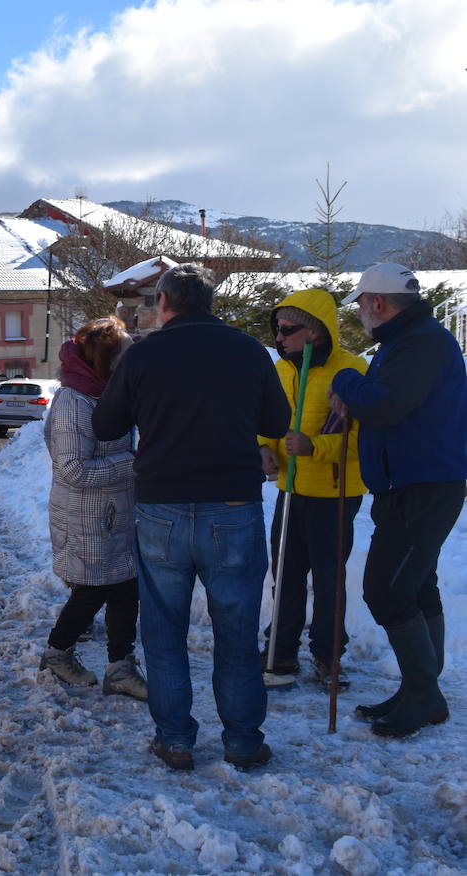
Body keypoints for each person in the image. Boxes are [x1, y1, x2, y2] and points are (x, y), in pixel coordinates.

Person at [94, 264, 290, 772]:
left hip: (162, 508)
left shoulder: (145, 355)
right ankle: (244, 742)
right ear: (210, 302)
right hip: (233, 507)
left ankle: (176, 740)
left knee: (163, 630)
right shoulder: (248, 350)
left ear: (163, 303)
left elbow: (106, 422)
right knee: (237, 630)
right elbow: (276, 423)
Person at [328, 263, 467, 736]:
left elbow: (386, 404)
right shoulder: (407, 341)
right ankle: (419, 691)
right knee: (415, 584)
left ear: (379, 304)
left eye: (363, 304)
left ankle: (425, 694)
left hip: (424, 485)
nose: (361, 314)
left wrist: (346, 381)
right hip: (408, 482)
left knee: (385, 590)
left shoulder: (420, 342)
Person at [257, 289, 366, 690]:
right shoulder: (282, 370)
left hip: (335, 494)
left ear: (315, 331)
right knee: (284, 573)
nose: (279, 338)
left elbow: (365, 438)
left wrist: (315, 446)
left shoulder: (351, 371)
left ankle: (328, 656)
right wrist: (264, 448)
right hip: (291, 489)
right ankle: (279, 652)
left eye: (287, 330)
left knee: (327, 578)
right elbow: (265, 420)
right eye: (276, 329)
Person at [39, 316, 147, 701]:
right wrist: (135, 463)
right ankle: (57, 654)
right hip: (86, 518)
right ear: (106, 362)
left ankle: (120, 667)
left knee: (124, 591)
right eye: (125, 359)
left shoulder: (102, 395)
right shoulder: (74, 403)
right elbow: (72, 469)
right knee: (91, 593)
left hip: (111, 516)